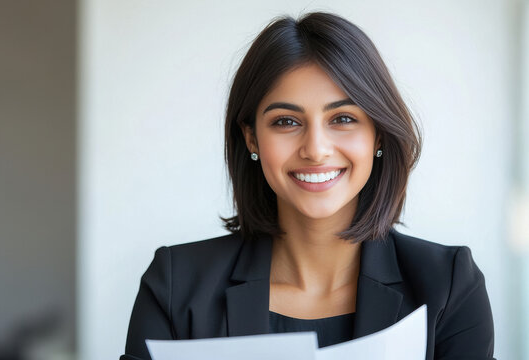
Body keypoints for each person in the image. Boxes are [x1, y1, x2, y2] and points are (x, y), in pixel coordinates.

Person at [120, 12, 495, 360]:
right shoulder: (175, 285)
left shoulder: (448, 286)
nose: (315, 149)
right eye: (286, 122)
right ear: (251, 138)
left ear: (378, 135)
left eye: (343, 118)